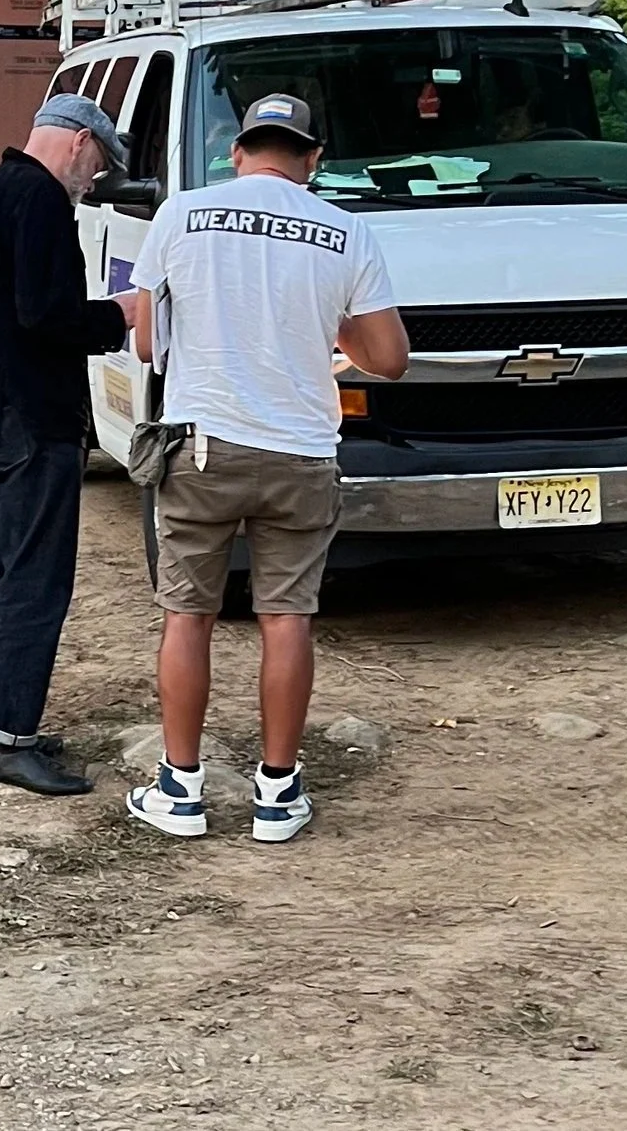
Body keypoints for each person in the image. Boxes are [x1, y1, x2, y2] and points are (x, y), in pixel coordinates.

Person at [122, 92, 409, 842]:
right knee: (287, 618)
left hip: (204, 445)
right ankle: (278, 793)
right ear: (312, 160)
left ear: (238, 153)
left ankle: (179, 789)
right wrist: (329, 324)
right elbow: (390, 359)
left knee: (189, 614)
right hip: (302, 451)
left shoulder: (181, 213)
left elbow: (149, 344)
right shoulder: (347, 232)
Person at [0, 93, 132, 794]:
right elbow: (47, 315)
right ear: (78, 141)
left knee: (3, 572)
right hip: (32, 418)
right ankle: (5, 743)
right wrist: (119, 314)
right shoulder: (42, 200)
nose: (94, 179)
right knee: (35, 580)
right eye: (99, 162)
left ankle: (4, 724)